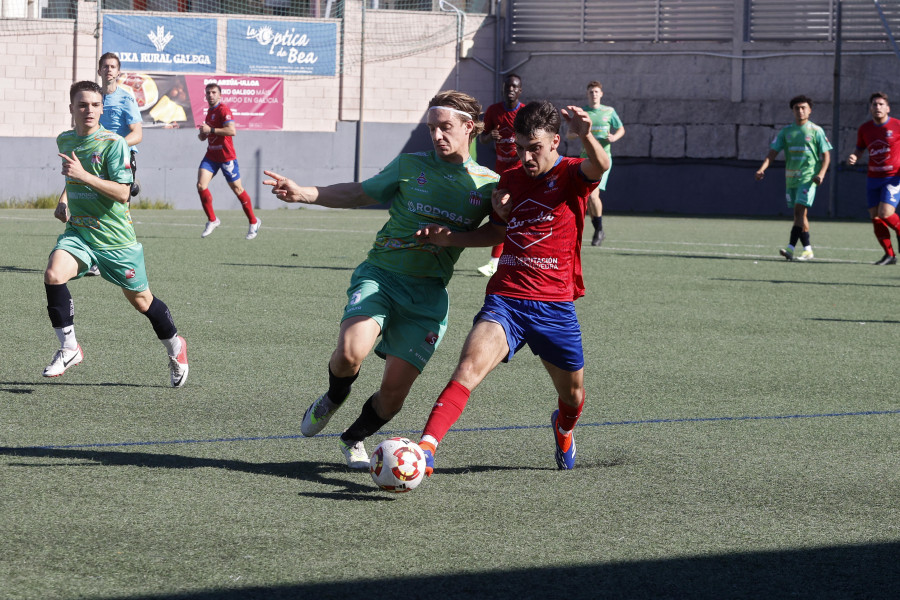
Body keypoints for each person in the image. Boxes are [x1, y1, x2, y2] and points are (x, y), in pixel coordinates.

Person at [263, 90, 500, 468]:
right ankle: (333, 397)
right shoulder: (410, 164)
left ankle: (352, 438)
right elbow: (360, 192)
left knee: (393, 396)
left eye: (446, 128)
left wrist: (452, 238)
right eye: (431, 128)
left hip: (427, 296)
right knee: (349, 353)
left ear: (469, 128)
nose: (437, 136)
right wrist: (304, 193)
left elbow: (499, 233)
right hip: (382, 275)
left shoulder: (488, 185)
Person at [413, 100, 610, 473]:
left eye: (534, 148)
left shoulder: (571, 174)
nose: (525, 157)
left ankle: (564, 428)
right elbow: (495, 232)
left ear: (555, 141)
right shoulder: (511, 180)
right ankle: (425, 449)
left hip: (555, 306)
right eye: (520, 148)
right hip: (507, 299)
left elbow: (600, 165)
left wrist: (586, 137)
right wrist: (450, 238)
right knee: (467, 368)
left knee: (572, 396)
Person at [44, 81, 189, 387]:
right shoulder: (65, 139)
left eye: (96, 105)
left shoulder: (113, 144)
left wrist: (84, 175)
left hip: (116, 241)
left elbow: (123, 193)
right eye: (82, 105)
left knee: (142, 302)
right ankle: (70, 348)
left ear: (102, 109)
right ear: (71, 108)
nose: (89, 111)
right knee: (54, 274)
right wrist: (64, 199)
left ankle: (176, 346)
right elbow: (73, 178)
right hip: (80, 233)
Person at [755, 95, 832, 261]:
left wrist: (821, 174)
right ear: (793, 111)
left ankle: (790, 249)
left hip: (808, 179)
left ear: (810, 110)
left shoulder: (816, 131)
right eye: (797, 108)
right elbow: (772, 153)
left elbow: (826, 156)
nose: (800, 111)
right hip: (791, 179)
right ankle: (808, 250)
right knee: (800, 215)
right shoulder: (786, 132)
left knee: (799, 211)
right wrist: (762, 169)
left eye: (804, 108)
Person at [196, 83, 261, 240]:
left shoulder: (223, 110)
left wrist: (210, 130)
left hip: (226, 157)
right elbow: (206, 135)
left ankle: (254, 221)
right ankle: (212, 220)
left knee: (237, 189)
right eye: (208, 93)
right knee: (201, 185)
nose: (210, 95)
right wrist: (203, 134)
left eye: (213, 92)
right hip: (211, 156)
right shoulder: (209, 112)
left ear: (220, 95)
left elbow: (232, 131)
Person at [476, 73, 524, 277]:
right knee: (501, 212)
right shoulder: (494, 111)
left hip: (520, 169)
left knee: (518, 213)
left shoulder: (524, 112)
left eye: (514, 87)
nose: (511, 90)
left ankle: (510, 260)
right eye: (508, 87)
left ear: (520, 90)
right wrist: (489, 137)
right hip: (500, 169)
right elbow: (482, 138)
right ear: (503, 89)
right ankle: (495, 262)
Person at [567, 80, 624, 247]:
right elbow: (569, 134)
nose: (594, 94)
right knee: (586, 198)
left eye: (596, 91)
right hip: (585, 159)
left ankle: (598, 231)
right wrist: (579, 133)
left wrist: (614, 137)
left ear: (601, 94)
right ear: (587, 94)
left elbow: (620, 128)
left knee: (593, 195)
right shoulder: (582, 112)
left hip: (603, 160)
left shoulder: (609, 111)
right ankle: (597, 228)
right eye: (591, 92)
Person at [848, 92, 900, 265]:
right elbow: (859, 149)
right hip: (873, 178)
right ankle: (890, 255)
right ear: (870, 108)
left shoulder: (897, 125)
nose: (877, 107)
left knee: (885, 213)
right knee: (875, 217)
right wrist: (854, 157)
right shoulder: (865, 129)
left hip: (893, 177)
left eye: (881, 104)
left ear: (888, 108)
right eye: (874, 105)